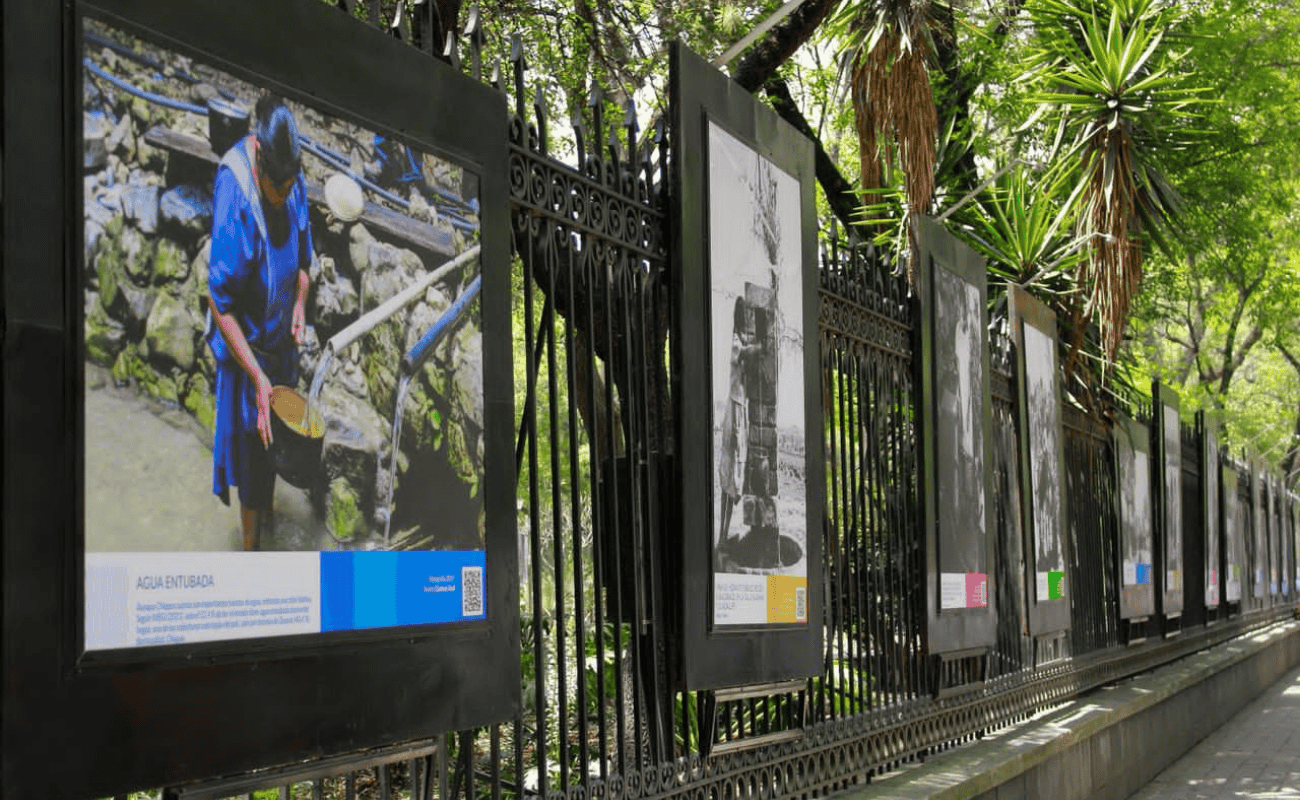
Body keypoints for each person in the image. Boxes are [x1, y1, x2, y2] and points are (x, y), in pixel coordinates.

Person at [206, 94, 313, 551]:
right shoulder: (236, 190)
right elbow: (220, 303)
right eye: (280, 189)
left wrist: (299, 303)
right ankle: (251, 552)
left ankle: (268, 522)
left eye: (292, 186)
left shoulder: (290, 173)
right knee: (252, 458)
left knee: (276, 451)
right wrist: (257, 375)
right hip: (248, 353)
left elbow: (306, 259)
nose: (287, 195)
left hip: (281, 352)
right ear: (260, 162)